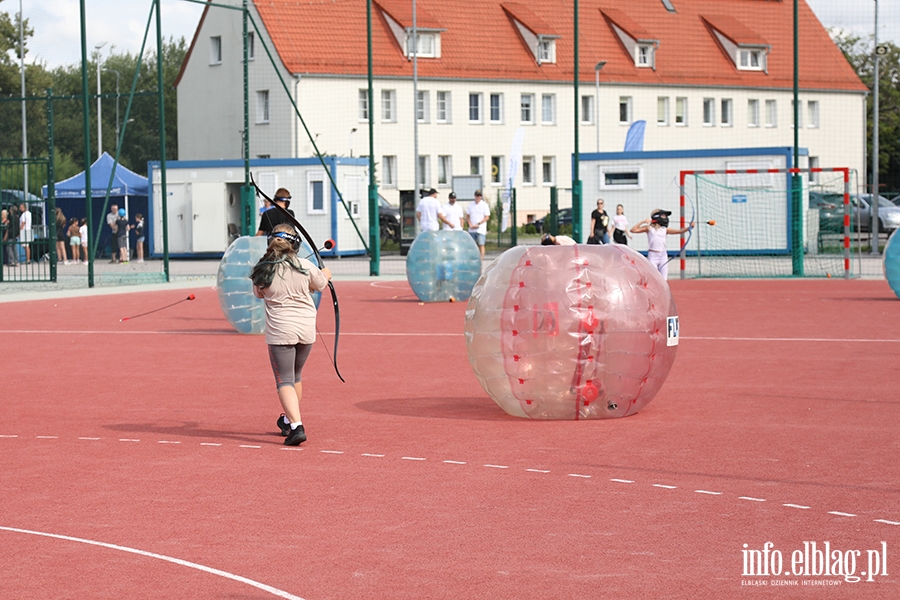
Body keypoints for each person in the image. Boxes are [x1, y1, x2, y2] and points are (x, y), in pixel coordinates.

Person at [251, 223, 332, 446]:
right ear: (295, 243)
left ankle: (297, 426)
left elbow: (258, 293)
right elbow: (321, 283)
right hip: (306, 330)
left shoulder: (263, 268)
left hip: (281, 332)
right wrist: (325, 273)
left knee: (284, 380)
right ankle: (287, 420)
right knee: (295, 376)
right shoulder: (305, 265)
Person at [630, 209, 693, 279]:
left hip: (663, 255)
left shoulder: (665, 229)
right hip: (653, 255)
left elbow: (680, 231)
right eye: (663, 216)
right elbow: (633, 230)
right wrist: (643, 221)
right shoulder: (649, 228)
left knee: (664, 279)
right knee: (653, 278)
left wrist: (689, 227)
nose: (665, 218)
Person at [466, 189, 491, 259]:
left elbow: (487, 217)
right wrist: (470, 224)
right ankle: (471, 258)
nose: (478, 197)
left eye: (480, 196)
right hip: (472, 229)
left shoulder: (484, 205)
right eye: (477, 195)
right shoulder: (471, 205)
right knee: (471, 245)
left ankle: (481, 259)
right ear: (475, 196)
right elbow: (467, 216)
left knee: (481, 244)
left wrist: (479, 223)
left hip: (480, 229)